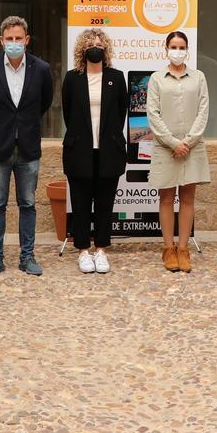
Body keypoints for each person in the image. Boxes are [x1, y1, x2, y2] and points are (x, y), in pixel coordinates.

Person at [0, 16, 54, 278]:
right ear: (1, 41)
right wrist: (3, 125)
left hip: (28, 147)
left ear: (27, 40)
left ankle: (27, 256)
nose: (14, 43)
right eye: (9, 39)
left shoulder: (41, 69)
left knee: (28, 203)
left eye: (19, 38)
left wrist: (22, 125)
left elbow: (45, 102)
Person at [61, 28, 128, 274]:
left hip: (109, 150)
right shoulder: (72, 78)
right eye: (90, 43)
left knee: (104, 204)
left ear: (106, 48)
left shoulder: (116, 77)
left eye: (100, 43)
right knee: (80, 204)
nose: (95, 46)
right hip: (79, 150)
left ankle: (101, 250)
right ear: (82, 49)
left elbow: (121, 113)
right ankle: (82, 250)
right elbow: (68, 113)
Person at [146, 31, 210, 272]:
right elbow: (153, 114)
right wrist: (174, 143)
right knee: (165, 198)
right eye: (173, 46)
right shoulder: (156, 79)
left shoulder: (199, 77)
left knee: (187, 198)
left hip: (191, 148)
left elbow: (204, 110)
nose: (177, 50)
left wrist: (189, 141)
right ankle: (168, 248)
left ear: (187, 49)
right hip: (166, 148)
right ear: (166, 49)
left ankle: (183, 249)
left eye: (181, 46)